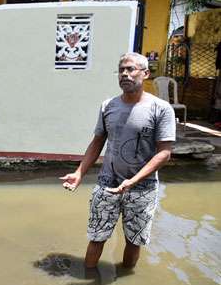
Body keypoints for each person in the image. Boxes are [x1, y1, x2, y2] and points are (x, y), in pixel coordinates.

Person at [59, 52, 176, 269]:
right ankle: (89, 278)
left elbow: (164, 153)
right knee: (97, 237)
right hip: (107, 184)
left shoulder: (161, 109)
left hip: (142, 188)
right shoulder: (108, 106)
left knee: (134, 240)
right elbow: (97, 142)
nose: (124, 74)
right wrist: (79, 173)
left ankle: (125, 282)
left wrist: (133, 181)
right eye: (121, 70)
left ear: (146, 74)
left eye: (131, 69)